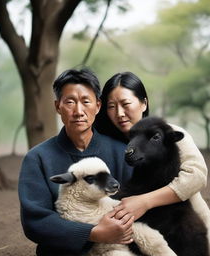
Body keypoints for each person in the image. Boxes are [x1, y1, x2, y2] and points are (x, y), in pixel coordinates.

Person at [94, 71, 210, 256]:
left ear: (143, 103)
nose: (119, 113)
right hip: (133, 230)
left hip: (181, 224)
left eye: (125, 104)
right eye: (111, 106)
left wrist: (144, 202)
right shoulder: (104, 144)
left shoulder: (168, 133)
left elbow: (196, 175)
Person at [18, 68, 135, 256]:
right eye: (70, 102)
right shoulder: (37, 158)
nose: (78, 111)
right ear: (57, 107)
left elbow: (135, 201)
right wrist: (93, 233)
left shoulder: (120, 151)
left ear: (98, 106)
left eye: (85, 102)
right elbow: (35, 221)